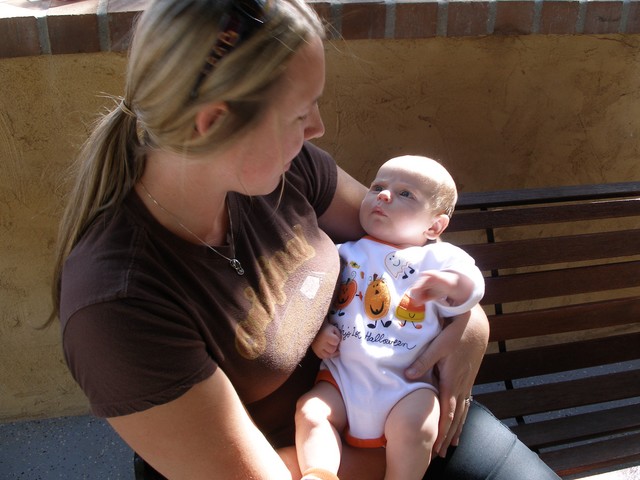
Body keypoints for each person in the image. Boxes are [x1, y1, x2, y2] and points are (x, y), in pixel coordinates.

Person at [49, 0, 562, 478]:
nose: (317, 128)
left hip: (407, 411)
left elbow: (408, 248)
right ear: (212, 124)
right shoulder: (117, 308)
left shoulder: (286, 169)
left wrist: (470, 326)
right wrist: (400, 452)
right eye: (300, 113)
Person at [295, 156, 485, 480]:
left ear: (435, 227)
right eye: (377, 187)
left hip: (407, 384)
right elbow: (313, 299)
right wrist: (319, 330)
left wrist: (453, 285)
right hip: (343, 377)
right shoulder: (342, 252)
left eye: (405, 194)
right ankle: (319, 474)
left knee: (417, 426)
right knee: (311, 412)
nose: (383, 195)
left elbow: (473, 285)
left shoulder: (436, 258)